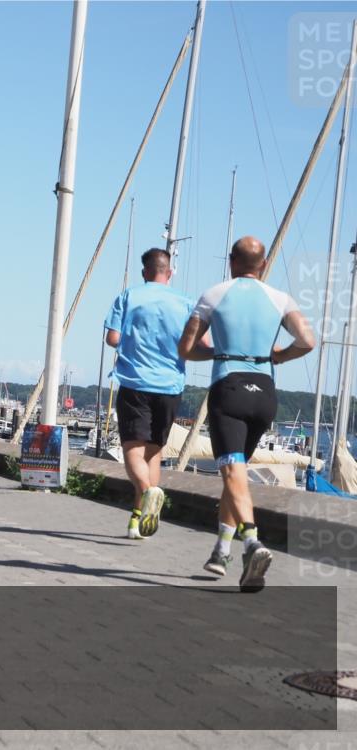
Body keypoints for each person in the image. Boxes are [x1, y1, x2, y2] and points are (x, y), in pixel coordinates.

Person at [179, 236, 314, 592]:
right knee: (235, 472)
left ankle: (251, 542)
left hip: (230, 388)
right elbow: (308, 340)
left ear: (231, 261)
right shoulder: (280, 298)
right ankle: (221, 551)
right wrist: (278, 356)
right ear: (264, 265)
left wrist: (219, 352)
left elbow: (186, 348)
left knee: (232, 469)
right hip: (265, 394)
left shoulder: (214, 294)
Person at [104, 248, 194, 540]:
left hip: (135, 382)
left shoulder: (129, 296)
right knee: (153, 452)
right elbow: (195, 343)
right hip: (170, 385)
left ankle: (147, 492)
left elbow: (112, 338)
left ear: (145, 272)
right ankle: (137, 521)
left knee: (132, 449)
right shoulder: (186, 303)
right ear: (170, 272)